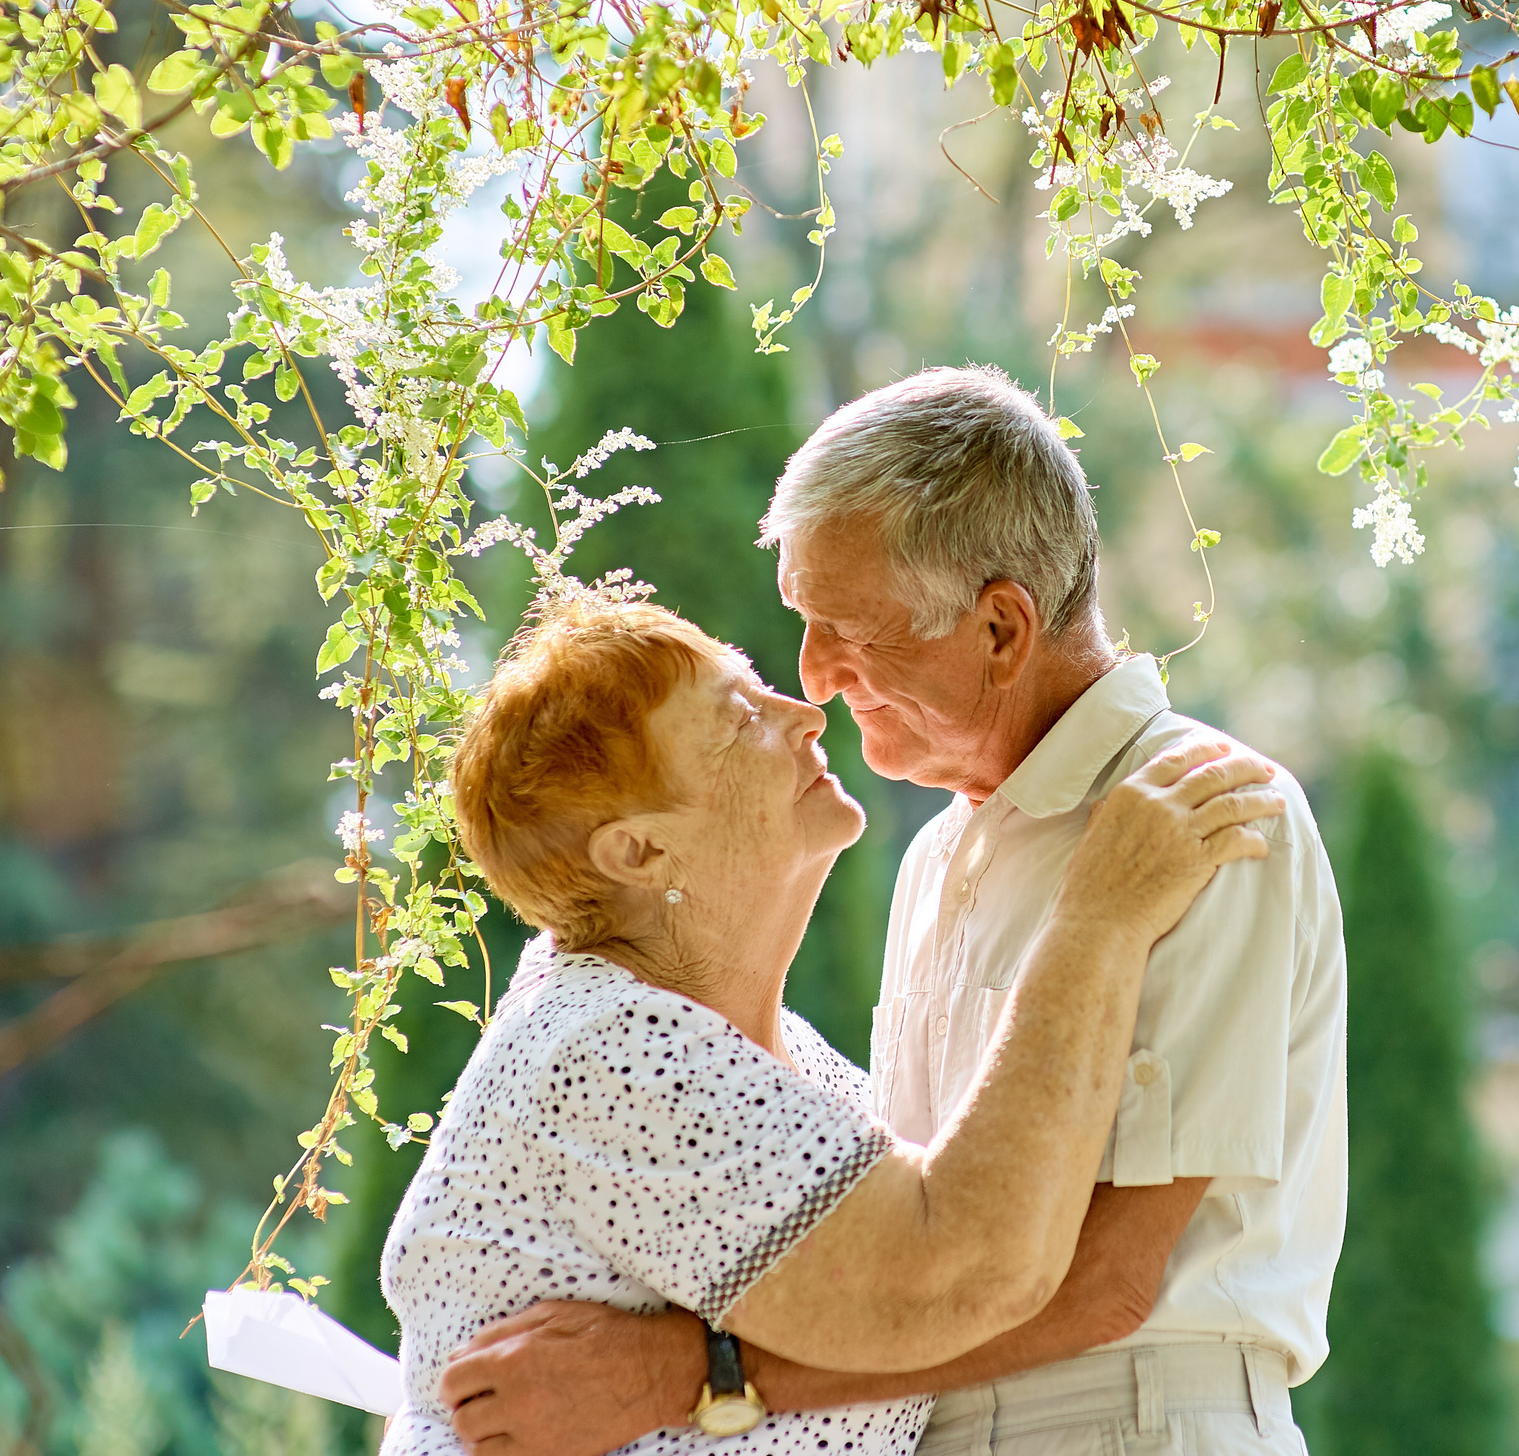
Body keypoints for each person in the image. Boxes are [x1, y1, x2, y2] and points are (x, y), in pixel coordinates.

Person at [440, 368, 1348, 1456]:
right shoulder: (932, 859)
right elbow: (895, 1255)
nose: (813, 680)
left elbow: (1106, 1286)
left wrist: (690, 1378)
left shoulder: (1205, 816)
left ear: (1001, 628)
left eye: (843, 629)